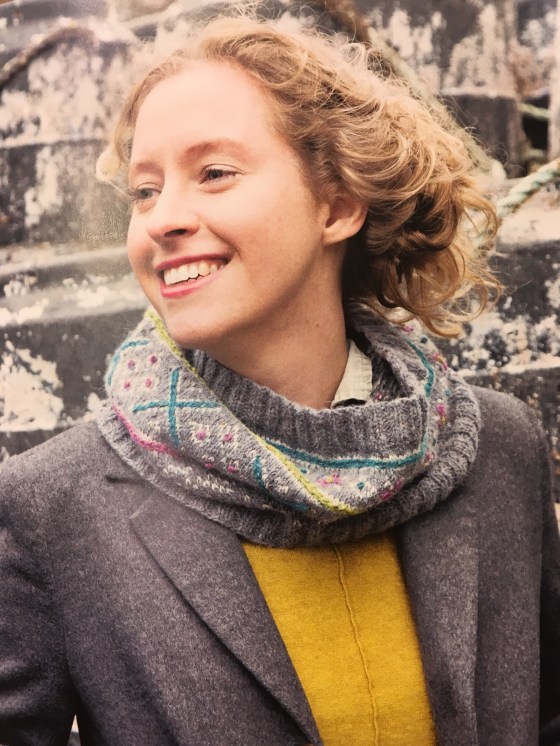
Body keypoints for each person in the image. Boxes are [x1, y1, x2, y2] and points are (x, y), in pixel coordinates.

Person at [1, 9, 559, 746]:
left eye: (214, 173)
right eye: (144, 190)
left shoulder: (501, 452)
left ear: (338, 206)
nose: (162, 219)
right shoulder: (51, 509)